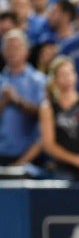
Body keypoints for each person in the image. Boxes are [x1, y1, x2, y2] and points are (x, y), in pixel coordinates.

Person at [40, 55, 79, 183]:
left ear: (76, 75)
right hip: (62, 167)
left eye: (70, 72)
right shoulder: (48, 107)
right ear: (55, 79)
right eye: (62, 74)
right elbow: (48, 145)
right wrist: (78, 161)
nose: (67, 77)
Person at [0, 29, 46, 167]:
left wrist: (18, 101)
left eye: (16, 47)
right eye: (8, 48)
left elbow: (43, 116)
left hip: (31, 156)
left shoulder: (39, 81)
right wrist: (4, 102)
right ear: (2, 52)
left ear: (27, 51)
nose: (12, 52)